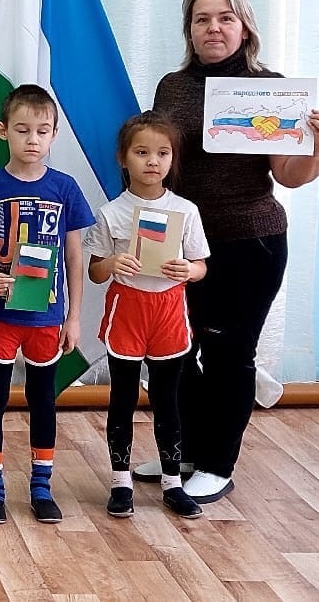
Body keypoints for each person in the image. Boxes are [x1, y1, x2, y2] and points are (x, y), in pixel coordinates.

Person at [140, 0, 319, 503]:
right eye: (202, 19)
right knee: (173, 352)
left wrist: (317, 149)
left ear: (244, 27)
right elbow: (159, 160)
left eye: (225, 18)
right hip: (180, 244)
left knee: (229, 354)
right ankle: (184, 452)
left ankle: (217, 464)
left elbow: (289, 176)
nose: (214, 28)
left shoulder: (272, 89)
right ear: (190, 31)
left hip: (250, 243)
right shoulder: (172, 88)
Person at [0, 84, 94, 525]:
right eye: (22, 130)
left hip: (47, 316)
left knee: (43, 400)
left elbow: (75, 257)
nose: (32, 139)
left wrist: (74, 317)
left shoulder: (65, 187)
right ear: (3, 131)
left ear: (54, 134)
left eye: (42, 131)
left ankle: (42, 486)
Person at [84, 112, 207, 520]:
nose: (152, 161)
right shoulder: (111, 213)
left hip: (169, 311)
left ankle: (172, 482)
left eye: (162, 153)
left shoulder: (186, 210)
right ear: (123, 158)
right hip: (128, 311)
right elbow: (95, 270)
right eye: (141, 152)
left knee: (168, 399)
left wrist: (188, 270)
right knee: (122, 398)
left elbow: (201, 266)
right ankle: (120, 482)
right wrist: (113, 263)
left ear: (173, 158)